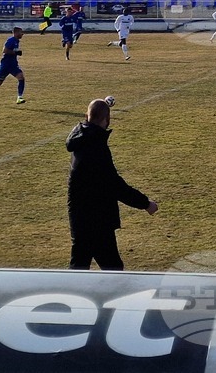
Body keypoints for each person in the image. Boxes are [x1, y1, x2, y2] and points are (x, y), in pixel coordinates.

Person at [66, 98, 158, 271]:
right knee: (113, 269)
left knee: (79, 266)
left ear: (87, 116)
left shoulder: (80, 138)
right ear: (106, 120)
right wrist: (145, 203)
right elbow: (115, 185)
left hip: (79, 216)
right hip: (97, 218)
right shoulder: (96, 148)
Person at [0, 26, 27, 104]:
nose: (22, 34)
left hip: (13, 65)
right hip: (5, 65)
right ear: (16, 33)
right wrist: (15, 52)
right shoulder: (10, 40)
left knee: (21, 78)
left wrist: (17, 52)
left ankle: (19, 97)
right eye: (21, 32)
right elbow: (5, 51)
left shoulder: (17, 41)